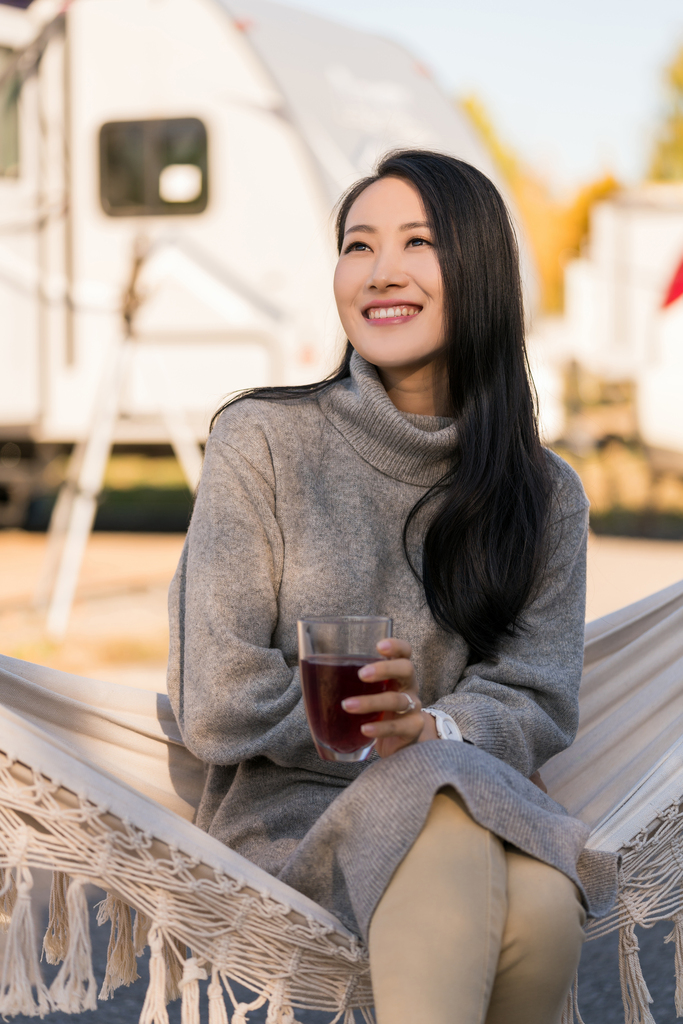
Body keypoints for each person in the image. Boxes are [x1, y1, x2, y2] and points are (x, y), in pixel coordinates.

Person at [168, 150, 617, 1024]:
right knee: (470, 836)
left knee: (538, 905)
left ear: (478, 269)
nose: (380, 272)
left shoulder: (544, 493)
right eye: (356, 244)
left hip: (470, 804)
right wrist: (375, 734)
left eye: (417, 242)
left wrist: (433, 730)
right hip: (291, 821)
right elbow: (215, 695)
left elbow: (535, 696)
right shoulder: (261, 442)